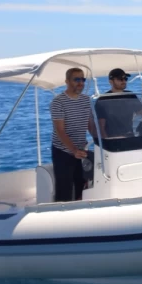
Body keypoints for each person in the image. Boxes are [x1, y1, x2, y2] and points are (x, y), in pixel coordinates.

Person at [50, 67, 95, 201]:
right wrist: (73, 150)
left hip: (81, 150)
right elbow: (60, 130)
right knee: (64, 189)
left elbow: (90, 125)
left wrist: (102, 141)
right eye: (76, 79)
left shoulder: (87, 100)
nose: (80, 83)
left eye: (83, 79)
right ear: (67, 81)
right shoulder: (58, 102)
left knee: (83, 186)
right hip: (63, 152)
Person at [96, 68, 142, 138]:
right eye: (120, 79)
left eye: (125, 79)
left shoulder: (130, 96)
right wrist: (108, 142)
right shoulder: (102, 100)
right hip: (113, 139)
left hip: (130, 138)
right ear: (111, 82)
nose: (124, 81)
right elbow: (101, 127)